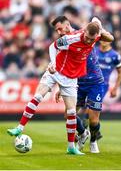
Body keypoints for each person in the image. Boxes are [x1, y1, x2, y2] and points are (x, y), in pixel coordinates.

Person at [7, 19, 104, 155]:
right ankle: (19, 128)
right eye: (87, 37)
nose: (88, 41)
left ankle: (71, 147)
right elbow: (53, 46)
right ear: (85, 32)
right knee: (38, 96)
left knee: (71, 113)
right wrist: (52, 64)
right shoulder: (72, 38)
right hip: (55, 71)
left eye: (91, 39)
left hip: (71, 78)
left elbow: (103, 30)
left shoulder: (96, 35)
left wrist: (100, 27)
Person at [51, 16, 114, 153]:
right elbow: (63, 64)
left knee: (93, 119)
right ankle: (83, 133)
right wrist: (61, 87)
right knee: (68, 115)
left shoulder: (85, 34)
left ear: (68, 26)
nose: (60, 32)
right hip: (77, 81)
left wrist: (101, 30)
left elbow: (110, 38)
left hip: (95, 81)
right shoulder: (67, 42)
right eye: (57, 30)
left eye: (61, 28)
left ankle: (93, 141)